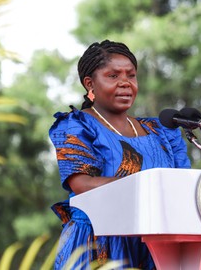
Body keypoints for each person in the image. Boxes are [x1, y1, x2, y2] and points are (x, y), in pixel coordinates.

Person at [49, 40, 191, 269]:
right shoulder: (77, 125)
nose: (125, 83)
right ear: (90, 84)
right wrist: (144, 186)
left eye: (131, 75)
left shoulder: (163, 131)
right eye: (113, 76)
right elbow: (81, 183)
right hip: (99, 243)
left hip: (156, 243)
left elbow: (182, 183)